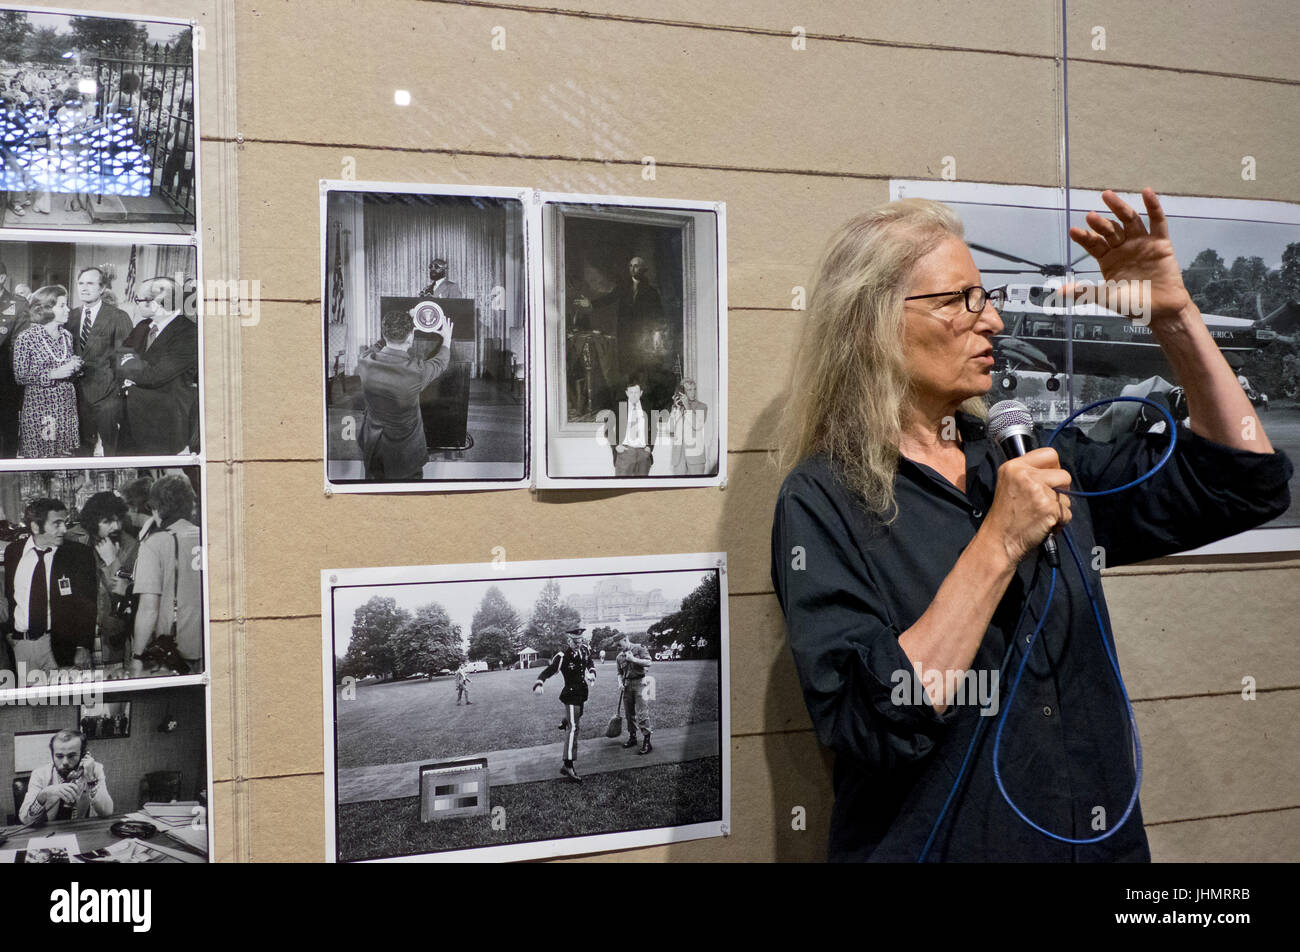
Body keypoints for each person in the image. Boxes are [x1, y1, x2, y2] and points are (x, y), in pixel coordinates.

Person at [770, 189, 1292, 862]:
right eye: (961, 300)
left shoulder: (1038, 461)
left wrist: (1176, 317)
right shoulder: (822, 500)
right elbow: (870, 724)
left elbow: (1243, 482)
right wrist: (999, 544)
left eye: (985, 298)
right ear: (873, 323)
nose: (991, 321)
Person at [1, 498, 97, 673]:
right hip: (22, 647)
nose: (64, 529)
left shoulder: (78, 554)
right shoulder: (13, 552)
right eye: (57, 524)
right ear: (36, 527)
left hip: (61, 647)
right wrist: (10, 633)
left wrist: (83, 646)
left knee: (66, 700)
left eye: (64, 522)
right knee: (31, 701)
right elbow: (10, 595)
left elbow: (88, 606)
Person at [356, 308, 453, 480]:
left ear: (384, 335)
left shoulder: (364, 360)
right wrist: (447, 338)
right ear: (410, 338)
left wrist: (390, 333)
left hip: (372, 445)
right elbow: (440, 362)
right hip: (405, 454)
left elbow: (378, 346)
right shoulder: (416, 371)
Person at [576, 256, 678, 416]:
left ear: (643, 269)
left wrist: (658, 335)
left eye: (636, 266)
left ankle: (646, 409)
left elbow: (659, 317)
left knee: (645, 373)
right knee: (629, 373)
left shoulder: (651, 292)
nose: (632, 269)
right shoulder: (623, 287)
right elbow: (609, 298)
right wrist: (591, 304)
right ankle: (631, 410)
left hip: (644, 341)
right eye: (630, 266)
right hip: (626, 339)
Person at [114, 276, 199, 455]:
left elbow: (154, 376)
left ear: (157, 302)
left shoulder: (189, 333)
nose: (136, 304)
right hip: (130, 419)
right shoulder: (142, 327)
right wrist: (133, 367)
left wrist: (130, 367)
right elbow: (118, 357)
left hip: (162, 424)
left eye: (139, 300)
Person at [130, 474, 202, 677]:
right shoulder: (205, 536)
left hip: (174, 652)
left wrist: (137, 656)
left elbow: (148, 609)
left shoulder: (155, 543)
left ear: (156, 508)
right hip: (209, 645)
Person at [66, 491, 138, 674]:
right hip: (84, 641)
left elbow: (125, 595)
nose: (115, 526)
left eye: (118, 520)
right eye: (107, 521)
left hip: (115, 641)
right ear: (93, 523)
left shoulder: (131, 547)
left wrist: (112, 561)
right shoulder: (79, 544)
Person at [68, 266, 133, 454]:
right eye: (81, 283)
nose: (84, 288)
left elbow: (127, 357)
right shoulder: (70, 316)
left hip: (107, 397)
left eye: (90, 283)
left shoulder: (117, 316)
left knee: (111, 449)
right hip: (76, 396)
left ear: (102, 288)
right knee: (80, 449)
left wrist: (119, 392)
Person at [12, 285, 81, 457]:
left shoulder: (67, 336)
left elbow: (64, 366)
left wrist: (75, 366)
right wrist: (54, 374)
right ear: (46, 308)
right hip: (40, 406)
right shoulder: (26, 337)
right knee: (42, 460)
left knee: (64, 461)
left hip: (66, 406)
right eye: (62, 305)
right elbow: (20, 376)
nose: (68, 309)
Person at [532, 627, 597, 782]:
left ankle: (565, 720)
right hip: (571, 694)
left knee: (576, 717)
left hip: (582, 693)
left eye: (580, 640)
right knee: (574, 728)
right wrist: (539, 683)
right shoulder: (563, 656)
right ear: (569, 640)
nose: (578, 644)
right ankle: (567, 765)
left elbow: (589, 662)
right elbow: (549, 670)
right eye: (575, 641)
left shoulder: (585, 650)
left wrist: (592, 673)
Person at [19, 729, 113, 825]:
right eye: (59, 756)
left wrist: (90, 779)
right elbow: (25, 819)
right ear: (52, 755)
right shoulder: (40, 774)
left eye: (71, 756)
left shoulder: (94, 769)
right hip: (51, 833)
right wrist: (43, 794)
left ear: (83, 754)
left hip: (83, 831)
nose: (65, 762)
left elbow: (107, 812)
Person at [0, 259, 32, 455]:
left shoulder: (18, 305)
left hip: (5, 383)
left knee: (7, 437)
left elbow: (18, 347)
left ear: (1, 278)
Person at [606, 378, 655, 477]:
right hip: (625, 452)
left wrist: (649, 447)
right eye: (631, 392)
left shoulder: (647, 406)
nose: (633, 395)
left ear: (641, 393)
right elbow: (608, 429)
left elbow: (654, 429)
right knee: (622, 486)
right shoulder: (619, 406)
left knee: (642, 488)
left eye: (636, 392)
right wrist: (616, 446)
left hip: (643, 454)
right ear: (627, 393)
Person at [616, 636, 653, 754]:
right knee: (629, 714)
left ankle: (647, 741)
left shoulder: (639, 648)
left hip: (640, 683)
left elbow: (649, 662)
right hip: (627, 685)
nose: (619, 648)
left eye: (619, 644)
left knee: (642, 713)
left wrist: (633, 659)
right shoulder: (619, 657)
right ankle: (633, 737)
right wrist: (620, 683)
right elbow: (619, 673)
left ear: (625, 640)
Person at [669, 378, 714, 475]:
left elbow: (697, 425)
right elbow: (671, 430)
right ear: (682, 393)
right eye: (689, 390)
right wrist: (676, 408)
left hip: (695, 457)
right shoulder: (677, 407)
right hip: (678, 457)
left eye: (694, 389)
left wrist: (687, 407)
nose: (693, 392)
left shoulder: (702, 406)